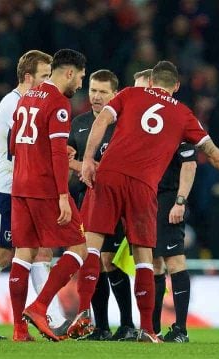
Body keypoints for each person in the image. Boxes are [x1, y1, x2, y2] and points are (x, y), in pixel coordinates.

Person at [69, 60, 219, 342]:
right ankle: (148, 329)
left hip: (109, 176)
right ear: (176, 86)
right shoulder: (183, 114)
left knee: (93, 251)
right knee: (146, 260)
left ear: (152, 81)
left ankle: (83, 316)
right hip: (144, 187)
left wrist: (90, 160)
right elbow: (213, 153)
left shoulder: (129, 94)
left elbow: (103, 120)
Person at [0, 50, 68, 340]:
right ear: (28, 78)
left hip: (32, 189)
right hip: (9, 188)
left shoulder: (35, 102)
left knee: (43, 252)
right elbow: (17, 153)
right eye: (44, 76)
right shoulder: (11, 105)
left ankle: (54, 318)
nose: (50, 81)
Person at [8, 49, 88, 342]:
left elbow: (13, 147)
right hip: (44, 189)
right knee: (80, 247)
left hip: (19, 186)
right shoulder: (59, 103)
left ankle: (19, 329)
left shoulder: (26, 97)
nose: (80, 85)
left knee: (23, 254)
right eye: (80, 78)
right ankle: (40, 307)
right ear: (69, 72)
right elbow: (56, 153)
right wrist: (63, 196)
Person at [67, 69, 137, 341]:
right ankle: (102, 327)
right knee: (93, 260)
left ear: (115, 95)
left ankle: (128, 324)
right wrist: (82, 166)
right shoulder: (80, 123)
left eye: (102, 92)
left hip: (118, 202)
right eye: (93, 90)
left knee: (111, 262)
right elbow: (66, 156)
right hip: (88, 199)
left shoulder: (124, 124)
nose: (96, 97)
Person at [133, 69, 197, 343]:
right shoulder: (138, 120)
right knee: (154, 264)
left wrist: (180, 200)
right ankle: (153, 329)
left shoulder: (177, 118)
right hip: (144, 197)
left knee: (174, 261)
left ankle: (180, 329)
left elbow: (189, 163)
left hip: (167, 196)